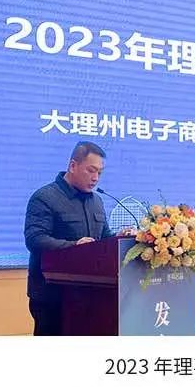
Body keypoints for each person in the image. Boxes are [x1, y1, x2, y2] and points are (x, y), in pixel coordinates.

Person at [24, 141, 120, 335]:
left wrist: (119, 238)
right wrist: (74, 246)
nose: (95, 178)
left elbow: (103, 239)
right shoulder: (45, 197)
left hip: (92, 297)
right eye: (91, 170)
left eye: (99, 173)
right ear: (73, 165)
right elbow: (35, 239)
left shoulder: (97, 200)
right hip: (53, 297)